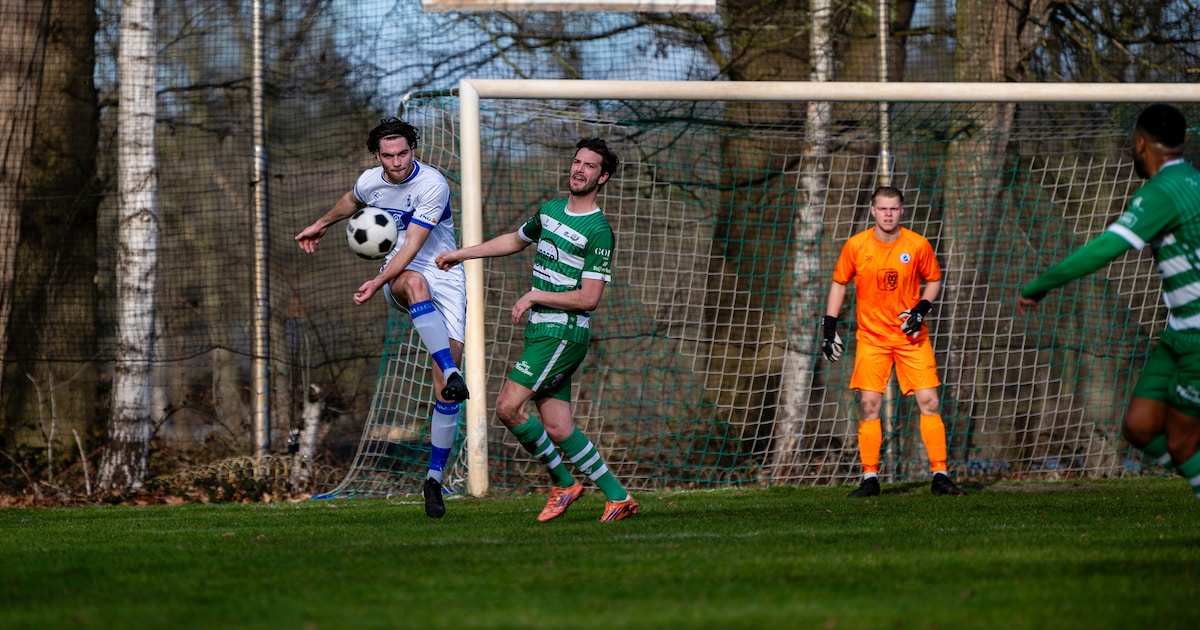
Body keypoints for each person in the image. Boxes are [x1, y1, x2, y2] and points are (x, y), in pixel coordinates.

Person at [435, 137, 639, 522]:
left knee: (507, 407)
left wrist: (534, 295)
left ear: (603, 177)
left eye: (589, 166)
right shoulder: (549, 212)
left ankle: (563, 483)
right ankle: (618, 496)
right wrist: (461, 254)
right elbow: (515, 240)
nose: (579, 169)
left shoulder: (598, 231)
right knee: (559, 428)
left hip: (563, 333)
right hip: (542, 332)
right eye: (576, 161)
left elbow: (589, 297)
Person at [1018, 103, 1200, 500]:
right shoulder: (1191, 180)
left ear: (1139, 143)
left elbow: (1103, 250)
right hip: (1177, 336)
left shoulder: (1163, 191)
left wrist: (1040, 285)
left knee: (1184, 445)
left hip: (1197, 339)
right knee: (1137, 427)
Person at [295, 117, 469, 519]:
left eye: (403, 153)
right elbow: (352, 200)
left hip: (445, 275)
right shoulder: (373, 180)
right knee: (414, 283)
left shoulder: (432, 184)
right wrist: (321, 224)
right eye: (388, 156)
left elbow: (413, 244)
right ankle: (451, 370)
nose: (396, 162)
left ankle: (433, 478)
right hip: (402, 278)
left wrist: (374, 281)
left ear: (414, 150)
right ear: (378, 156)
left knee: (445, 388)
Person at [822, 185, 965, 498]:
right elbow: (839, 283)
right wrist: (829, 327)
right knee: (869, 406)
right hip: (872, 339)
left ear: (902, 210)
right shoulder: (856, 246)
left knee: (930, 402)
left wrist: (921, 309)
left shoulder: (917, 244)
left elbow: (934, 279)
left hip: (910, 337)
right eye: (882, 208)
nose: (888, 214)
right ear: (873, 211)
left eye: (894, 208)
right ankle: (870, 478)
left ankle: (940, 475)